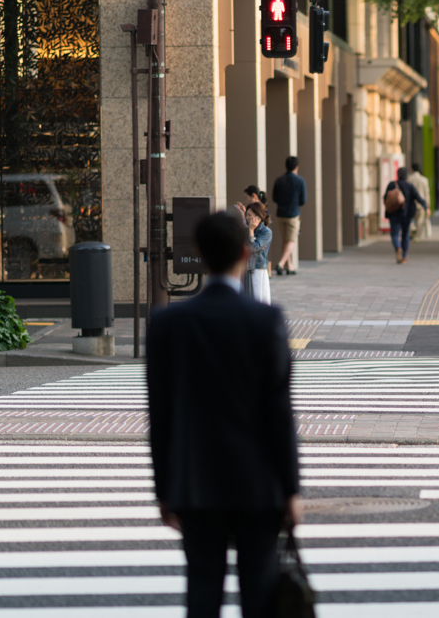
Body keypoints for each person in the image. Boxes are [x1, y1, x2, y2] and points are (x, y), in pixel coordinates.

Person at [146, 211, 301, 618]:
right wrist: (290, 488)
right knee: (260, 595)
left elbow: (159, 416)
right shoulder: (266, 320)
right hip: (259, 483)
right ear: (245, 253)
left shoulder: (167, 324)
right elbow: (279, 414)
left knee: (202, 593)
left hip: (196, 483)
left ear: (199, 254)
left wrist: (164, 490)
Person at [383, 166, 427, 264]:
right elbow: (418, 197)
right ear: (407, 176)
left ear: (397, 175)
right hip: (406, 214)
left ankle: (398, 247)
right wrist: (426, 207)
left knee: (394, 234)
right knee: (405, 235)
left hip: (393, 214)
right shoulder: (409, 186)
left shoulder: (391, 185)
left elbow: (385, 198)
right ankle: (403, 256)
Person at [271, 156, 306, 276]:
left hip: (280, 214)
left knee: (285, 240)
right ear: (296, 167)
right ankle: (281, 264)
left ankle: (289, 266)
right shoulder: (300, 181)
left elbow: (274, 198)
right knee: (291, 240)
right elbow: (303, 200)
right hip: (293, 214)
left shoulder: (279, 180)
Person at [243, 202, 272, 304]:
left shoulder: (266, 232)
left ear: (258, 216)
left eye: (249, 215)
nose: (247, 218)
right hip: (244, 268)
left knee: (258, 299)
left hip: (257, 268)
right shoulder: (245, 229)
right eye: (246, 215)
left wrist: (251, 231)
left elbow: (253, 247)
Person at [409, 162, 433, 240]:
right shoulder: (424, 180)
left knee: (411, 219)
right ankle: (417, 236)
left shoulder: (409, 178)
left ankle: (412, 229)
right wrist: (427, 206)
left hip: (411, 203)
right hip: (421, 204)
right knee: (419, 221)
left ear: (412, 169)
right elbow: (427, 193)